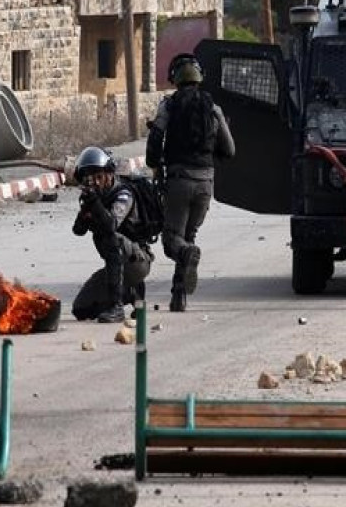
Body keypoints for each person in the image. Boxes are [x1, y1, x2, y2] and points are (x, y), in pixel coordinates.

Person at [145, 53, 235, 312]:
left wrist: (155, 164)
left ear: (174, 78)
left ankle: (186, 258)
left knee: (173, 240)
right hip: (205, 182)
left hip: (179, 181)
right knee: (188, 236)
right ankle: (178, 296)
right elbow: (229, 150)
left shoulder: (169, 106)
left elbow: (156, 138)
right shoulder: (213, 109)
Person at [70, 146, 153, 323]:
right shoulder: (94, 198)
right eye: (90, 179)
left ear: (109, 174)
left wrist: (95, 204)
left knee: (110, 238)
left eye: (99, 177)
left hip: (137, 262)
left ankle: (117, 306)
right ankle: (132, 294)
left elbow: (111, 225)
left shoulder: (123, 194)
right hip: (117, 267)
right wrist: (87, 207)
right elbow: (78, 230)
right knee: (81, 309)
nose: (95, 182)